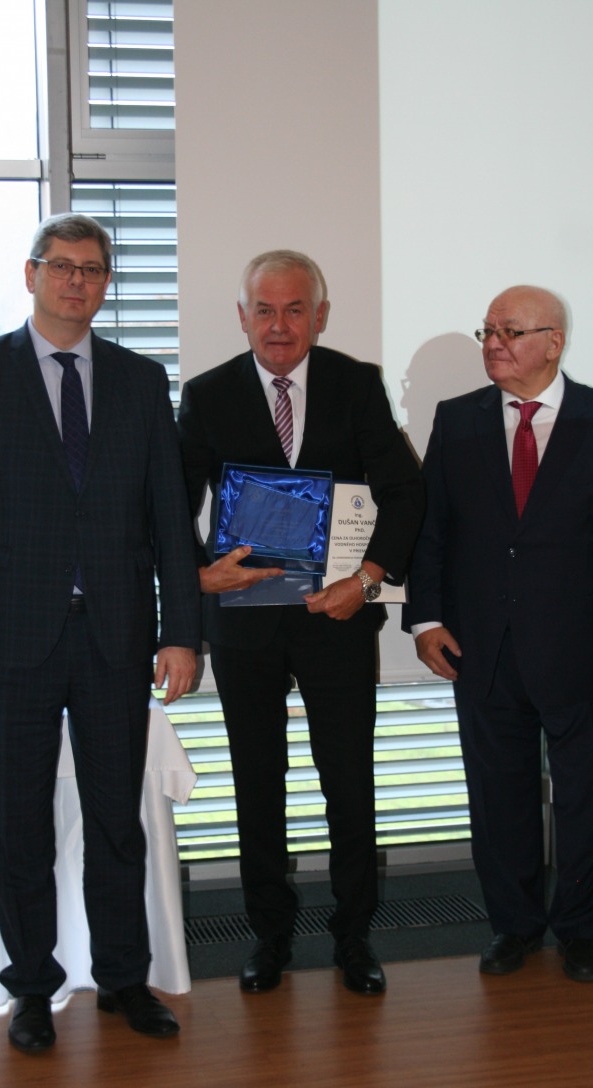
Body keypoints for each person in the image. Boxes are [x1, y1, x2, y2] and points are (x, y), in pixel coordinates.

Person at [0, 213, 201, 1053]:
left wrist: (182, 633)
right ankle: (32, 989)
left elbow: (169, 516)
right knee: (18, 826)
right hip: (7, 648)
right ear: (32, 274)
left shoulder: (141, 381)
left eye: (93, 269)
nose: (78, 281)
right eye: (63, 266)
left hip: (116, 639)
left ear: (106, 284)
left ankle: (123, 979)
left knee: (117, 821)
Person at [177, 250, 424, 995]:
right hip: (244, 627)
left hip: (336, 619)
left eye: (294, 310)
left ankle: (354, 937)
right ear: (242, 316)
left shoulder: (356, 384)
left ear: (319, 315)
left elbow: (404, 492)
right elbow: (170, 504)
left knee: (348, 783)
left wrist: (368, 581)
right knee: (258, 784)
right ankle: (270, 935)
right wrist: (198, 575)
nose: (279, 326)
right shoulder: (208, 394)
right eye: (264, 310)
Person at [406, 285, 593, 982]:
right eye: (487, 331)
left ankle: (580, 931)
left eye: (509, 332)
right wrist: (426, 620)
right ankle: (513, 926)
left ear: (554, 342)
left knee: (588, 796)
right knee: (498, 796)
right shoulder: (457, 420)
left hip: (586, 649)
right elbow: (432, 530)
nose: (493, 343)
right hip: (481, 646)